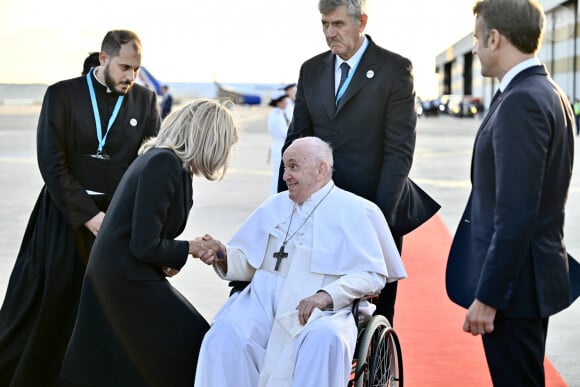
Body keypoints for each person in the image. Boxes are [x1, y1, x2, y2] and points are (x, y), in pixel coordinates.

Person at [0, 29, 160, 386]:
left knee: (105, 311)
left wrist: (139, 223)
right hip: (62, 217)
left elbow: (149, 166)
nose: (131, 77)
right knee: (49, 304)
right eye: (124, 67)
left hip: (116, 224)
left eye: (136, 69)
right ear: (103, 59)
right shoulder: (61, 94)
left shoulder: (146, 101)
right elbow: (51, 162)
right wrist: (88, 216)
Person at [194, 136, 406, 387]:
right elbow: (250, 262)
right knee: (224, 334)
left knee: (326, 339)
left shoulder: (358, 211)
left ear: (321, 170)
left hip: (323, 311)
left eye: (293, 167)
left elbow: (373, 275)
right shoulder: (274, 205)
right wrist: (222, 253)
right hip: (262, 304)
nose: (285, 176)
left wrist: (326, 295)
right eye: (285, 167)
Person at [277, 0, 439, 326]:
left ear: (361, 21)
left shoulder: (395, 70)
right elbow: (297, 138)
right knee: (320, 309)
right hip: (321, 212)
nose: (329, 33)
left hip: (375, 208)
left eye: (337, 24)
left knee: (375, 314)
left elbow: (399, 152)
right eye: (324, 24)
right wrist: (284, 202)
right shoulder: (311, 69)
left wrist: (378, 221)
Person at [61, 98, 239, 386]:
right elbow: (143, 245)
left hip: (131, 273)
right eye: (226, 143)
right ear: (208, 137)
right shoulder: (163, 163)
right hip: (123, 280)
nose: (226, 153)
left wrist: (173, 257)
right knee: (196, 341)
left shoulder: (174, 166)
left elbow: (148, 238)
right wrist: (190, 248)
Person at [445, 1, 575, 385]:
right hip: (527, 280)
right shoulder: (543, 90)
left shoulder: (522, 101)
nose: (474, 49)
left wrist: (490, 297)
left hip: (515, 288)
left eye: (476, 38)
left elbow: (517, 214)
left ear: (495, 38)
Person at [267, 89, 290, 194]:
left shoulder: (281, 113)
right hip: (279, 146)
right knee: (277, 175)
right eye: (285, 100)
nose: (287, 102)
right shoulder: (276, 114)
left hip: (281, 145)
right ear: (279, 102)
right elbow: (285, 132)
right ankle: (273, 196)